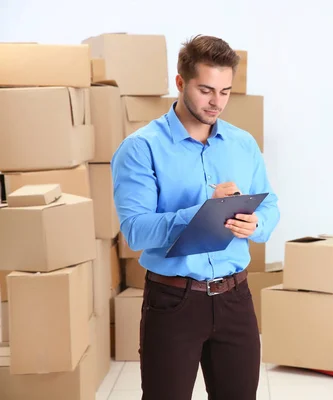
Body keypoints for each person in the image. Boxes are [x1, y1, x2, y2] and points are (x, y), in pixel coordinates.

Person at [111, 34, 280, 400]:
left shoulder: (243, 144)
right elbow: (136, 232)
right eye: (205, 90)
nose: (216, 102)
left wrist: (258, 224)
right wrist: (206, 205)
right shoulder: (141, 149)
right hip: (174, 302)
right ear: (180, 83)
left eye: (225, 91)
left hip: (236, 298)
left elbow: (269, 204)